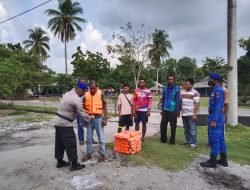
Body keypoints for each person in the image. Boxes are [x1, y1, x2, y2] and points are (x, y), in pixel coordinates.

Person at [53, 81, 94, 171]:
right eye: (82, 91)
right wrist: (90, 117)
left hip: (58, 122)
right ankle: (74, 164)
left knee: (60, 143)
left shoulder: (68, 93)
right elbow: (82, 113)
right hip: (65, 123)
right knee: (70, 143)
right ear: (79, 89)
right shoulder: (76, 99)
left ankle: (59, 161)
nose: (83, 93)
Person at [200, 73, 228, 168]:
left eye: (210, 79)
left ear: (215, 80)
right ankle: (224, 160)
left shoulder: (219, 91)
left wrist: (214, 120)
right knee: (220, 138)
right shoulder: (215, 90)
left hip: (216, 117)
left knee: (214, 139)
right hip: (215, 116)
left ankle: (212, 161)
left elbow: (219, 106)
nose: (209, 80)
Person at [82, 81, 107, 162]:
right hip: (89, 118)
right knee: (89, 138)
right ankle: (89, 154)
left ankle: (102, 155)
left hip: (99, 118)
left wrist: (105, 118)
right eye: (91, 88)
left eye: (94, 88)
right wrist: (84, 119)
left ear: (97, 87)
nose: (92, 90)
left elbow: (105, 106)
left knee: (101, 138)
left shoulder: (101, 94)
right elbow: (83, 108)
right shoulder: (86, 94)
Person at [160, 74, 181, 145]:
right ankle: (163, 139)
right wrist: (162, 109)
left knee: (173, 127)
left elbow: (178, 100)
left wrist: (177, 111)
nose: (170, 80)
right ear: (167, 80)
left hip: (173, 111)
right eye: (169, 79)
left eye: (172, 79)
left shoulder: (177, 88)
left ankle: (172, 140)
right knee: (163, 125)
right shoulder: (165, 88)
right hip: (165, 110)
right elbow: (163, 99)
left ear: (174, 80)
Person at [180, 78, 200, 150]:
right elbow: (180, 102)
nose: (185, 85)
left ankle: (193, 143)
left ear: (191, 84)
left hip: (191, 114)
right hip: (184, 114)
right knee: (186, 129)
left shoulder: (195, 93)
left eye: (187, 84)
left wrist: (195, 114)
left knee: (192, 129)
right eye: (185, 84)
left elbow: (197, 104)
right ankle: (187, 141)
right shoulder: (182, 92)